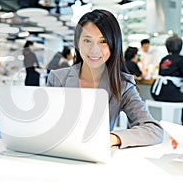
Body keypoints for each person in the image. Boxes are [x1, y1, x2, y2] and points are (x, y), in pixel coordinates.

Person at [47, 9, 163, 148]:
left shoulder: (123, 85)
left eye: (103, 41)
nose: (95, 50)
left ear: (114, 44)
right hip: (59, 154)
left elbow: (153, 130)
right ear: (78, 43)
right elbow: (46, 126)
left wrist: (112, 138)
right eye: (87, 40)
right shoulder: (58, 79)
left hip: (97, 157)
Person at [150, 35, 183, 124]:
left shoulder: (164, 59)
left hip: (157, 93)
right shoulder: (181, 59)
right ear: (180, 46)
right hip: (170, 93)